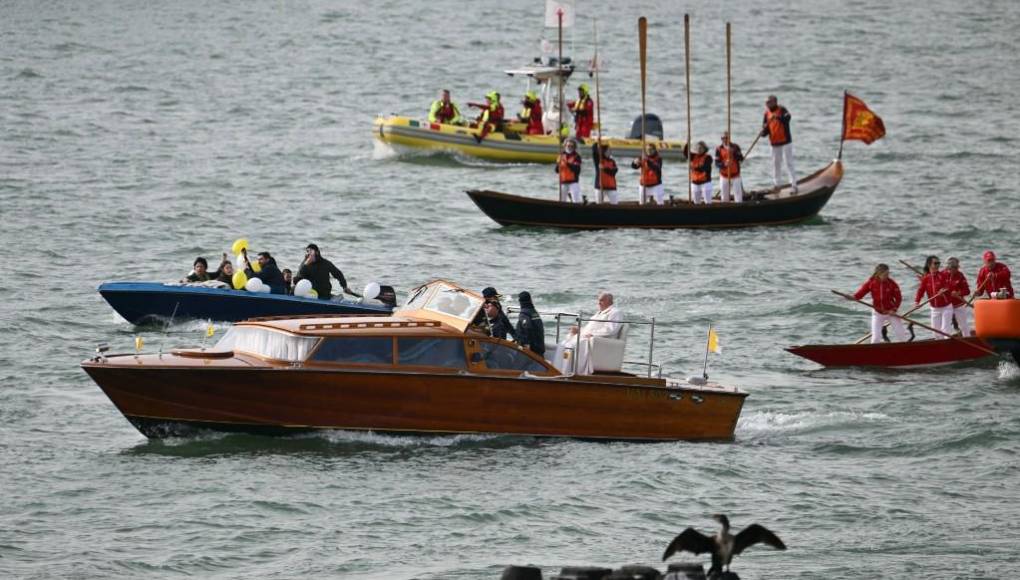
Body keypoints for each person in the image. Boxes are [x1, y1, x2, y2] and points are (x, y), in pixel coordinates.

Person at [553, 292, 623, 375]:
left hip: (599, 339)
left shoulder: (615, 312)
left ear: (610, 301)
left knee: (575, 344)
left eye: (601, 301)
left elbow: (611, 329)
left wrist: (593, 334)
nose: (598, 303)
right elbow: (589, 328)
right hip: (587, 336)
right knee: (565, 343)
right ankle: (560, 369)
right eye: (598, 300)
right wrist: (579, 330)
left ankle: (574, 371)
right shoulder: (599, 313)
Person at [852, 263, 907, 343]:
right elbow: (861, 293)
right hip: (877, 313)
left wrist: (894, 309)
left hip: (891, 312)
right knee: (875, 338)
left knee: (901, 335)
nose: (887, 276)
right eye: (885, 274)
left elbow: (899, 298)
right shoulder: (871, 283)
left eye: (888, 274)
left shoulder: (892, 284)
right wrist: (853, 297)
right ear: (879, 274)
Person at [761, 95, 797, 193]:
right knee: (776, 165)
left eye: (769, 102)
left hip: (785, 142)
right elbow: (766, 129)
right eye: (766, 103)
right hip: (774, 143)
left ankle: (793, 185)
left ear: (775, 102)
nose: (767, 104)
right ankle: (777, 185)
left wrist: (778, 117)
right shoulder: (766, 114)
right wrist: (763, 133)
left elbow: (788, 118)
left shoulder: (782, 110)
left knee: (789, 163)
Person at [914, 255, 952, 337]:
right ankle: (939, 348)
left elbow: (948, 287)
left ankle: (947, 347)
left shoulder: (943, 275)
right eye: (935, 263)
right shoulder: (926, 278)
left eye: (938, 263)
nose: (937, 265)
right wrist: (917, 302)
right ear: (929, 265)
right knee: (936, 333)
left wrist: (943, 290)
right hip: (934, 308)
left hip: (946, 307)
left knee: (946, 331)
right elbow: (921, 291)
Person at [942, 257, 971, 336]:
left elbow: (967, 291)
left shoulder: (960, 275)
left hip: (959, 305)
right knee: (945, 327)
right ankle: (945, 343)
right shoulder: (942, 274)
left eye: (956, 267)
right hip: (946, 306)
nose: (955, 269)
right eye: (953, 267)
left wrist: (958, 293)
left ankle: (967, 339)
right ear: (948, 267)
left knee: (964, 326)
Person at [715, 132, 745, 203]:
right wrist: (724, 164)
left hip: (735, 176)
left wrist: (733, 153)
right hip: (724, 176)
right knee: (724, 198)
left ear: (729, 138)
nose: (725, 140)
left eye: (726, 138)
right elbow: (716, 164)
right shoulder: (719, 149)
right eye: (723, 138)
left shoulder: (735, 147)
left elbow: (741, 158)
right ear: (721, 139)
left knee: (738, 198)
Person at [515, 291, 545, 355]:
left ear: (520, 302)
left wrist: (526, 346)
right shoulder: (534, 313)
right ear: (530, 300)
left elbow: (527, 328)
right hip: (539, 349)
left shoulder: (524, 314)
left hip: (532, 352)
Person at [557, 138, 583, 203]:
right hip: (563, 181)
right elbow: (557, 170)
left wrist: (567, 164)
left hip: (573, 182)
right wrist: (558, 165)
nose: (569, 147)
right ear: (565, 146)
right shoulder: (561, 155)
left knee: (576, 200)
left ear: (574, 147)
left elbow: (577, 170)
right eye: (568, 146)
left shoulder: (577, 156)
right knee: (562, 201)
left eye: (571, 146)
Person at [687, 141, 713, 205]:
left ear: (704, 149)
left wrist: (694, 168)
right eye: (698, 148)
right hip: (695, 182)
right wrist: (687, 143)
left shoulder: (708, 157)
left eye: (701, 148)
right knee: (696, 202)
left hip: (705, 182)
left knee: (708, 202)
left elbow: (705, 168)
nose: (699, 149)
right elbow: (686, 153)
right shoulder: (693, 156)